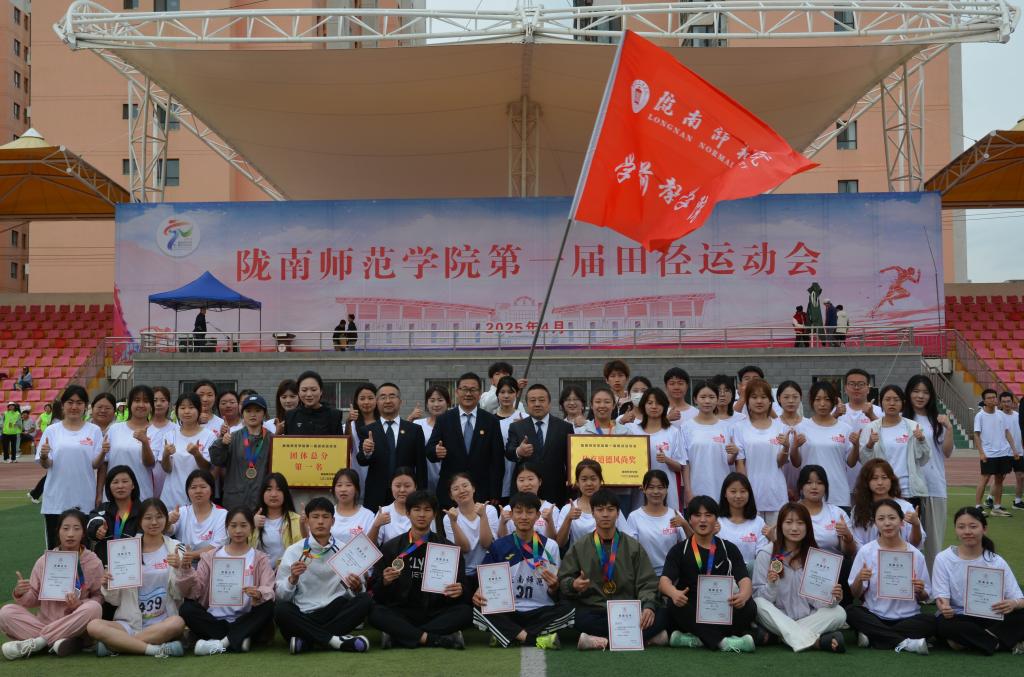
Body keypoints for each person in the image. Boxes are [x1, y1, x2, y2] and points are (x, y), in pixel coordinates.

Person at [559, 488, 668, 650]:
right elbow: (563, 580)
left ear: (618, 513)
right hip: (594, 610)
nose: (605, 514)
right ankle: (644, 638)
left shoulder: (633, 546)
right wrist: (573, 585)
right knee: (568, 613)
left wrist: (648, 607)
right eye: (600, 510)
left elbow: (647, 582)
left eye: (610, 509)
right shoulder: (580, 546)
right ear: (593, 513)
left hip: (628, 611)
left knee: (664, 613)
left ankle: (600, 641)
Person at [369, 490, 473, 649]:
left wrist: (460, 590)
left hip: (436, 612)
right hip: (402, 611)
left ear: (434, 514)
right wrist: (384, 582)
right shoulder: (391, 547)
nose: (422, 515)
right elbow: (377, 593)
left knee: (466, 612)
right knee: (374, 612)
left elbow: (463, 589)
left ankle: (401, 635)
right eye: (417, 509)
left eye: (427, 510)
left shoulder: (448, 548)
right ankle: (433, 638)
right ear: (407, 513)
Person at [85, 498, 188, 658]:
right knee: (93, 626)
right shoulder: (124, 549)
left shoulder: (176, 548)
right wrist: (107, 585)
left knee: (178, 623)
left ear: (166, 520)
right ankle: (154, 649)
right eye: (148, 518)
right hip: (128, 622)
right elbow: (114, 600)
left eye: (159, 517)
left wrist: (179, 569)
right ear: (140, 521)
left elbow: (180, 594)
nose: (154, 522)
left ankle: (118, 645)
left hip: (162, 621)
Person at [473, 491, 572, 649]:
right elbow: (486, 583)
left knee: (570, 608)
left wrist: (554, 587)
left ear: (538, 515)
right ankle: (532, 638)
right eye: (519, 512)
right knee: (478, 607)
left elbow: (554, 593)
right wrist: (479, 592)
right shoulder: (499, 546)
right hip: (509, 610)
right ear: (511, 515)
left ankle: (506, 634)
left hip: (541, 610)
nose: (524, 517)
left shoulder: (550, 546)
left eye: (529, 512)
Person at [0, 509, 104, 660]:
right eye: (65, 528)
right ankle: (63, 642)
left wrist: (79, 604)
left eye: (76, 529)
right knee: (6, 612)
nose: (70, 534)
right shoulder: (45, 561)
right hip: (45, 623)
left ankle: (39, 643)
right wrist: (21, 592)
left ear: (83, 533)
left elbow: (98, 596)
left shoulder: (93, 562)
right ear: (58, 531)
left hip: (75, 622)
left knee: (94, 608)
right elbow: (33, 599)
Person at [273, 497, 372, 654]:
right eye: (315, 517)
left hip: (333, 612)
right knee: (281, 610)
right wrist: (292, 579)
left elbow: (359, 591)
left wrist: (357, 587)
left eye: (325, 517)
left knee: (365, 600)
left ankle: (307, 641)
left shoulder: (344, 550)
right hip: (304, 614)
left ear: (333, 521)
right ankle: (334, 641)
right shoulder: (294, 551)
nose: (320, 522)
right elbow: (281, 595)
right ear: (307, 521)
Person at [659, 495, 756, 652]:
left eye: (708, 515)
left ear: (716, 519)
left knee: (750, 606)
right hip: (691, 607)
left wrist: (743, 595)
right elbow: (664, 582)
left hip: (723, 606)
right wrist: (674, 593)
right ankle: (723, 642)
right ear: (690, 519)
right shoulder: (679, 550)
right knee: (673, 604)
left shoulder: (729, 548)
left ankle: (698, 638)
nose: (703, 520)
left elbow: (744, 579)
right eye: (697, 515)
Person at [178, 507, 276, 655]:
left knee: (268, 606)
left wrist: (258, 593)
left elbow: (269, 588)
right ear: (226, 528)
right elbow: (196, 591)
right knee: (187, 608)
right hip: (214, 618)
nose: (238, 530)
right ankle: (239, 637)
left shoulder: (260, 558)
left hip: (246, 617)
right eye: (233, 526)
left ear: (251, 527)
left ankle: (223, 642)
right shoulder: (211, 556)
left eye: (243, 525)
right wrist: (187, 570)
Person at [751, 502, 847, 653]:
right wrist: (771, 585)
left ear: (808, 526)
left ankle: (781, 637)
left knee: (839, 612)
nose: (794, 528)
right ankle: (816, 642)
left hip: (808, 618)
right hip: (778, 616)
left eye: (800, 523)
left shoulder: (816, 557)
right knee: (758, 604)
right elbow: (758, 596)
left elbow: (817, 603)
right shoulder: (766, 554)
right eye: (789, 522)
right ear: (780, 525)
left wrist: (833, 598)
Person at [846, 498, 934, 654]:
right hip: (875, 615)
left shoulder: (915, 554)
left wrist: (920, 590)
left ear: (901, 521)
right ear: (875, 523)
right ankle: (906, 643)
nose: (887, 523)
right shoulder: (866, 551)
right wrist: (859, 579)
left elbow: (926, 596)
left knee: (931, 622)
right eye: (881, 519)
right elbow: (855, 594)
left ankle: (875, 637)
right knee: (852, 612)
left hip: (908, 617)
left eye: (892, 518)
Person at [932, 506, 1024, 654]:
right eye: (961, 527)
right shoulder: (943, 558)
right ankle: (998, 644)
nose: (967, 531)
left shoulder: (996, 561)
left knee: (1021, 615)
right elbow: (941, 596)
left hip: (991, 615)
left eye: (973, 526)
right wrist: (944, 608)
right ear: (956, 530)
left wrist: (1013, 603)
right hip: (958, 616)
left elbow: (1019, 599)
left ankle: (966, 642)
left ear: (984, 529)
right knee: (942, 624)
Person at [37, 386, 103, 548]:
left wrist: (104, 452)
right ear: (63, 405)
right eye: (70, 402)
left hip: (84, 500)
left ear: (85, 406)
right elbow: (47, 464)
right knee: (55, 550)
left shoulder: (94, 430)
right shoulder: (52, 431)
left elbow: (96, 464)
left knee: (83, 551)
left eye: (79, 403)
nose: (74, 407)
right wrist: (44, 456)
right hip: (56, 501)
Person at [426, 372, 505, 506]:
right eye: (464, 389)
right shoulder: (444, 419)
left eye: (473, 389)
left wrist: (495, 492)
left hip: (482, 491)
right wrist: (435, 451)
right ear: (457, 392)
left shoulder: (490, 421)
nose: (468, 394)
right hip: (451, 490)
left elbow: (497, 460)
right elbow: (429, 450)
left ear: (480, 393)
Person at [904, 375, 954, 569]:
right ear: (908, 393)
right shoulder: (900, 419)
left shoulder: (937, 420)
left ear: (931, 395)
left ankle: (933, 583)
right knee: (906, 543)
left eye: (925, 392)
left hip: (933, 487)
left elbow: (947, 452)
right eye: (916, 391)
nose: (920, 396)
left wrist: (949, 429)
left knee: (933, 545)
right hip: (907, 488)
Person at [860, 385, 932, 509]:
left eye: (896, 399)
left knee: (910, 522)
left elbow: (924, 459)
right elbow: (864, 461)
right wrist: (870, 445)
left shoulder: (914, 427)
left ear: (903, 403)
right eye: (887, 399)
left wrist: (921, 440)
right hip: (881, 491)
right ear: (881, 402)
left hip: (908, 491)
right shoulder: (871, 428)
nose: (892, 403)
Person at [358, 383, 425, 512]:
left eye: (392, 396)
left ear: (400, 401)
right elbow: (361, 460)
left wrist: (421, 494)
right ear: (377, 402)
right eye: (383, 397)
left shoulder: (414, 430)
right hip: (376, 494)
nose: (388, 401)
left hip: (406, 493)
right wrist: (367, 452)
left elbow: (421, 466)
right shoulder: (367, 430)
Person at [506, 384, 574, 506]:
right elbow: (509, 452)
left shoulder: (564, 427)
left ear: (549, 403)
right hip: (526, 490)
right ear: (527, 404)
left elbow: (570, 460)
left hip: (556, 489)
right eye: (532, 400)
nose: (537, 404)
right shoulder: (516, 427)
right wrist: (519, 451)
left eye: (541, 400)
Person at [731, 379, 790, 523]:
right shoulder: (739, 427)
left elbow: (780, 463)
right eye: (754, 397)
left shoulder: (780, 427)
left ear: (770, 401)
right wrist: (745, 491)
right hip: (751, 493)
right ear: (747, 400)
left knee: (776, 535)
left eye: (763, 397)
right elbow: (740, 464)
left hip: (776, 492)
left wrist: (786, 447)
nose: (759, 401)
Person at [795, 381, 860, 509]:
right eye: (818, 399)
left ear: (834, 401)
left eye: (827, 399)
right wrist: (794, 447)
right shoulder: (801, 428)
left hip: (838, 493)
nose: (822, 404)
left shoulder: (845, 428)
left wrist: (856, 445)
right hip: (810, 494)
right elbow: (796, 463)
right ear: (811, 401)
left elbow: (851, 463)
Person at [681, 380, 742, 501]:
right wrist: (688, 490)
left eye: (711, 397)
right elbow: (684, 463)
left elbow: (729, 461)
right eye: (703, 397)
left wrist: (735, 453)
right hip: (696, 488)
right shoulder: (686, 427)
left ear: (717, 399)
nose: (707, 401)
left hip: (722, 488)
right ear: (695, 399)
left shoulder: (727, 427)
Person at [211, 393, 273, 511]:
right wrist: (222, 443)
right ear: (242, 413)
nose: (253, 415)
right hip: (234, 500)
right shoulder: (232, 437)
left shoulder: (272, 439)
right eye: (248, 411)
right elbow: (217, 460)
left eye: (258, 411)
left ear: (264, 414)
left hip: (261, 501)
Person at [443, 472, 498, 598]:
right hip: (464, 574)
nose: (462, 491)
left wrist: (483, 516)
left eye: (465, 486)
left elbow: (487, 544)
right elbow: (464, 549)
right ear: (451, 496)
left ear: (473, 488)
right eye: (456, 489)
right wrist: (454, 522)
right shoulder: (449, 517)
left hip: (488, 572)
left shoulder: (489, 510)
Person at [624, 470, 687, 576]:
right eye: (651, 487)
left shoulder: (675, 514)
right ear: (644, 489)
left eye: (660, 487)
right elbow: (630, 550)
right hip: (644, 575)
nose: (656, 491)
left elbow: (690, 544)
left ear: (666, 490)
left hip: (671, 573)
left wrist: (685, 524)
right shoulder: (634, 517)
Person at [850, 459, 924, 549]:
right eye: (874, 478)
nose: (880, 483)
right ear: (866, 482)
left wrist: (916, 525)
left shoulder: (905, 507)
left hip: (901, 555)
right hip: (869, 557)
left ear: (891, 480)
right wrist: (871, 554)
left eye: (884, 477)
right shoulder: (859, 509)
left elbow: (915, 543)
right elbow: (857, 542)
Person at [159, 393, 216, 510]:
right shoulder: (169, 435)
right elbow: (167, 469)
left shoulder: (209, 436)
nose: (187, 411)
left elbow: (207, 468)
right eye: (182, 408)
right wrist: (165, 454)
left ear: (199, 410)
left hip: (197, 495)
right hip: (171, 496)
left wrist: (196, 454)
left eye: (191, 407)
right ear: (177, 411)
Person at [556, 459, 627, 547]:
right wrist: (568, 518)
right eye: (584, 479)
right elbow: (559, 543)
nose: (589, 483)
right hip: (579, 555)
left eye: (593, 479)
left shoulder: (611, 507)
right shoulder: (568, 509)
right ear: (577, 482)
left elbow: (627, 538)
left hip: (610, 555)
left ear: (600, 481)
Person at [103, 385, 157, 501]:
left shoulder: (156, 432)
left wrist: (145, 442)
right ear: (130, 404)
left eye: (146, 401)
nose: (141, 405)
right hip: (113, 496)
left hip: (142, 495)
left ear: (151, 405)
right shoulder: (114, 429)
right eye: (137, 400)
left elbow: (150, 463)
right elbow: (104, 464)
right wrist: (99, 493)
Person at [973, 388, 1018, 516]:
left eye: (994, 397)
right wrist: (981, 453)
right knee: (985, 479)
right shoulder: (980, 416)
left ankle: (997, 507)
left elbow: (1007, 432)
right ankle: (978, 506)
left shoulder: (1000, 414)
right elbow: (976, 435)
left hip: (1003, 453)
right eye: (989, 398)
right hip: (988, 453)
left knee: (999, 480)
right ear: (984, 401)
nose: (993, 400)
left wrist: (1014, 449)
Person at [168, 470, 228, 564]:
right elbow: (168, 531)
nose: (198, 491)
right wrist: (168, 522)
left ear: (212, 490)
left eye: (203, 487)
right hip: (183, 565)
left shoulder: (222, 514)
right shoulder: (181, 512)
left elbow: (217, 546)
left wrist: (189, 555)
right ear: (187, 491)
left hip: (211, 564)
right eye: (193, 487)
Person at [86, 465, 142, 566]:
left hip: (136, 567)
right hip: (106, 568)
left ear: (133, 485)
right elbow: (93, 521)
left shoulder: (143, 510)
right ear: (109, 487)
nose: (120, 486)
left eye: (125, 481)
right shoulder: (103, 510)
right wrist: (97, 529)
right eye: (115, 482)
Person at [251, 472, 306, 570]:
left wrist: (304, 527)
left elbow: (305, 548)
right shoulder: (252, 519)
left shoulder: (296, 520)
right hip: (258, 573)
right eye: (269, 489)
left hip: (286, 573)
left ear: (285, 494)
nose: (273, 494)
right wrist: (251, 526)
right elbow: (240, 548)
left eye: (279, 489)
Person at [716, 473, 770, 568]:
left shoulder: (758, 522)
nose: (738, 496)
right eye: (733, 491)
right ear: (725, 493)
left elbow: (762, 554)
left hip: (750, 571)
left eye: (743, 491)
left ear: (749, 494)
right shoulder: (717, 521)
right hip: (722, 572)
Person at [498, 463, 558, 539]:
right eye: (521, 480)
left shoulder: (551, 509)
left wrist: (549, 521)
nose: (526, 484)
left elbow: (553, 540)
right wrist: (503, 523)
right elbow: (501, 540)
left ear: (539, 481)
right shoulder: (507, 509)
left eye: (530, 479)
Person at [369, 467, 422, 546]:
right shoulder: (384, 511)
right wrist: (376, 526)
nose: (402, 490)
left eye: (407, 486)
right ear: (391, 487)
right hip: (389, 554)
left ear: (415, 487)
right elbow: (369, 546)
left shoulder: (423, 511)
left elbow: (431, 541)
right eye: (398, 486)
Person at [283, 371, 345, 438]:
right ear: (298, 392)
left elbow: (340, 443)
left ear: (321, 391)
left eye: (313, 390)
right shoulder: (290, 416)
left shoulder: (334, 415)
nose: (309, 394)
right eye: (304, 390)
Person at [413, 385, 450, 494]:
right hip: (423, 477)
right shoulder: (418, 424)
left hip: (447, 478)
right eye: (432, 400)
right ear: (427, 403)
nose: (436, 404)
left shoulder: (454, 425)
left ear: (448, 403)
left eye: (440, 400)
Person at [495, 376, 526, 498]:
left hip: (518, 472)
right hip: (498, 472)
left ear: (517, 394)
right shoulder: (490, 420)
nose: (506, 396)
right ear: (497, 394)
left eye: (510, 392)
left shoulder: (524, 418)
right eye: (502, 392)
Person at [330, 468, 375, 545]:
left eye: (348, 485)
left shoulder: (368, 516)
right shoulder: (328, 514)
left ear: (356, 489)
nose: (343, 489)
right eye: (339, 485)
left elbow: (372, 546)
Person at [147, 386, 177, 499]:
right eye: (154, 400)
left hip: (169, 481)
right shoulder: (142, 428)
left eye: (163, 400)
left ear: (168, 404)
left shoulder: (176, 429)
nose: (158, 404)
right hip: (145, 480)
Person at [349, 382, 379, 491]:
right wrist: (348, 421)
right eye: (362, 398)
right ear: (356, 401)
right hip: (357, 472)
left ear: (377, 400)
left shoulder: (384, 424)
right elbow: (346, 446)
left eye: (370, 398)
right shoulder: (351, 424)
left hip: (378, 473)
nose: (366, 402)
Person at [998, 391, 1024, 510]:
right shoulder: (998, 416)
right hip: (1004, 452)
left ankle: (1017, 501)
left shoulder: (1018, 416)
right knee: (1000, 477)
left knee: (1021, 477)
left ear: (1013, 403)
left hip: (1019, 451)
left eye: (1008, 401)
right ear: (1000, 403)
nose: (1006, 404)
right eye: (1004, 401)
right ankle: (990, 499)